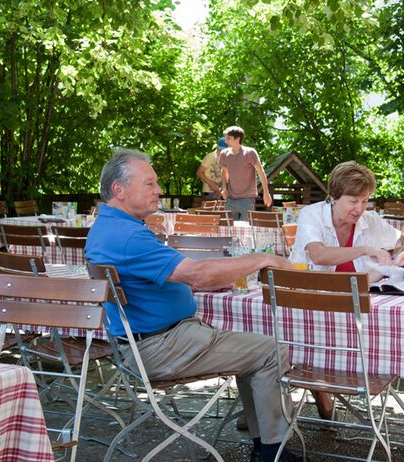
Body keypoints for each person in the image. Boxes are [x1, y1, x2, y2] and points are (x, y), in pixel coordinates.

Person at [85, 148, 300, 462]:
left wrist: (224, 271)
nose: (158, 190)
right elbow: (196, 276)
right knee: (269, 350)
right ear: (119, 190)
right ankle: (273, 453)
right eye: (149, 184)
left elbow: (181, 273)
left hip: (142, 343)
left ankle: (265, 445)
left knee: (251, 348)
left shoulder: (105, 228)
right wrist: (263, 259)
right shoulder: (128, 235)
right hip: (161, 347)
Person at [287, 160, 400, 419]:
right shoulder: (312, 214)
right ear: (334, 196)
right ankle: (305, 395)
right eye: (353, 201)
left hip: (352, 307)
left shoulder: (370, 220)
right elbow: (318, 254)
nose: (360, 208)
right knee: (309, 338)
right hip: (308, 302)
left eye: (365, 200)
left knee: (386, 333)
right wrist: (365, 249)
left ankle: (324, 392)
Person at [219, 126, 272, 221]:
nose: (225, 141)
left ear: (237, 139)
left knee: (246, 231)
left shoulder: (250, 153)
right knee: (228, 230)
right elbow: (224, 171)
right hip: (230, 198)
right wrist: (224, 188)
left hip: (247, 199)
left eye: (228, 138)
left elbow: (261, 172)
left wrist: (266, 192)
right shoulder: (224, 154)